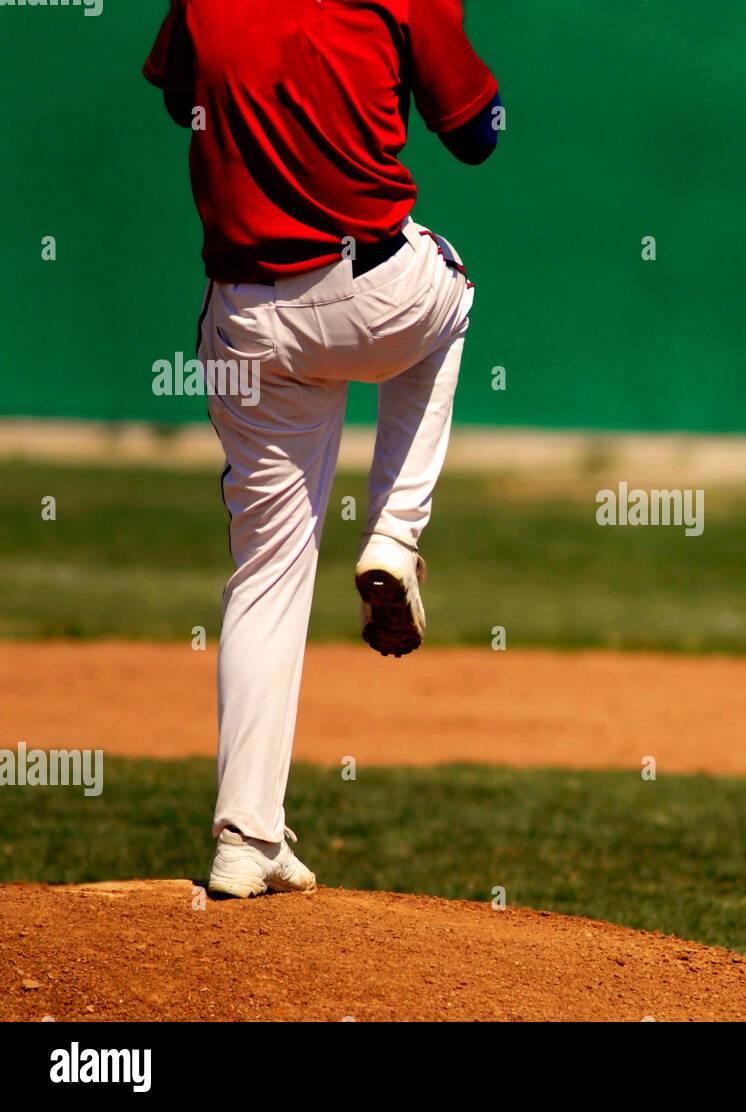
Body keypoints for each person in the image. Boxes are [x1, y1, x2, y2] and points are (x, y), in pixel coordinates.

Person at [143, 0, 501, 898]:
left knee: (266, 568)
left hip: (247, 319)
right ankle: (395, 534)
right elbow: (476, 135)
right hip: (374, 294)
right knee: (451, 297)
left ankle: (243, 836)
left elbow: (178, 98)